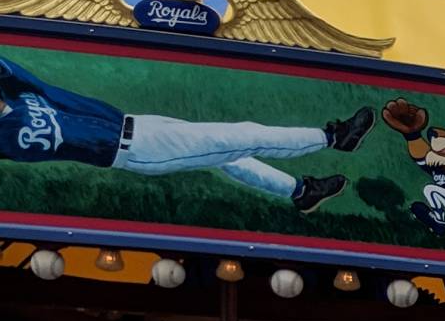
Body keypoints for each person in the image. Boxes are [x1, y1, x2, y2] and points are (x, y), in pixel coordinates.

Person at [2, 55, 371, 213]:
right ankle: (334, 137)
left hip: (141, 122)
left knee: (232, 158)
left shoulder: (19, 93)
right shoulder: (6, 137)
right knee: (242, 137)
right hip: (139, 150)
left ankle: (301, 192)